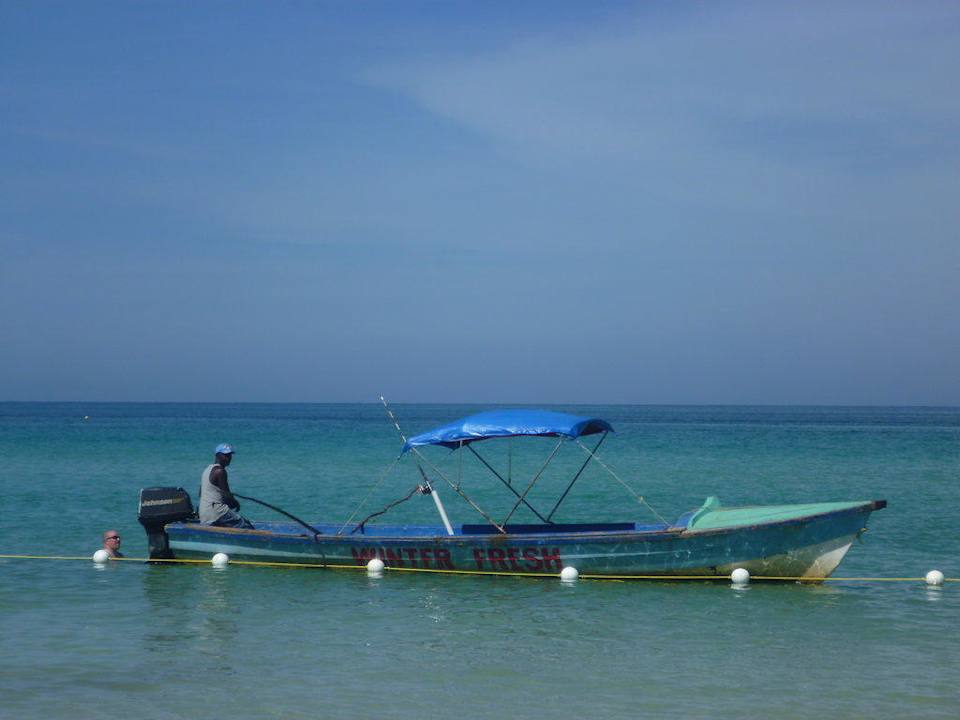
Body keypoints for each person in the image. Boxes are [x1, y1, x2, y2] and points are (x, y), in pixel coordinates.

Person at [198, 443, 254, 528]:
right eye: (225, 455)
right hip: (217, 513)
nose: (228, 458)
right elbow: (227, 496)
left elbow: (200, 494)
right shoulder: (220, 471)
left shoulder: (207, 470)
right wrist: (236, 503)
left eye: (230, 455)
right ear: (217, 455)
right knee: (247, 526)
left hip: (204, 514)